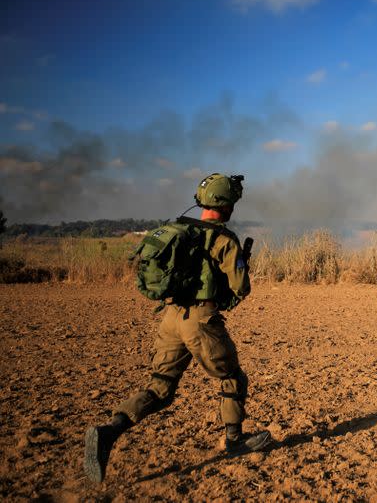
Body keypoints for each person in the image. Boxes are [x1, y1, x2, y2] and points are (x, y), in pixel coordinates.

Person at [84, 173, 270, 483]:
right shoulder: (224, 240)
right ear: (228, 205)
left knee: (160, 386)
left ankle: (109, 430)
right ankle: (235, 440)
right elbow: (241, 287)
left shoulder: (180, 229)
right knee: (232, 377)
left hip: (172, 317)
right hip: (202, 320)